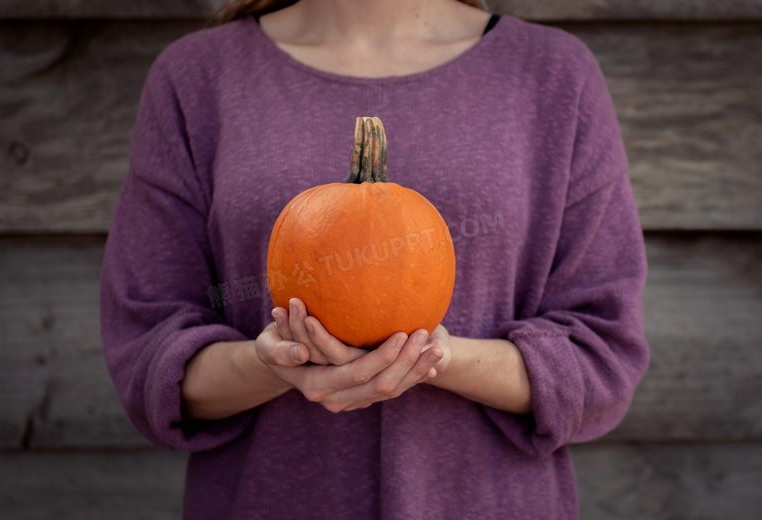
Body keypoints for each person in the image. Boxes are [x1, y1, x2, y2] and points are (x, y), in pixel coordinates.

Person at [99, 0, 650, 518]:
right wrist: (269, 364)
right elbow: (149, 349)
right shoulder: (196, 76)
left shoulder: (553, 73)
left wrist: (441, 358)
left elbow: (603, 353)